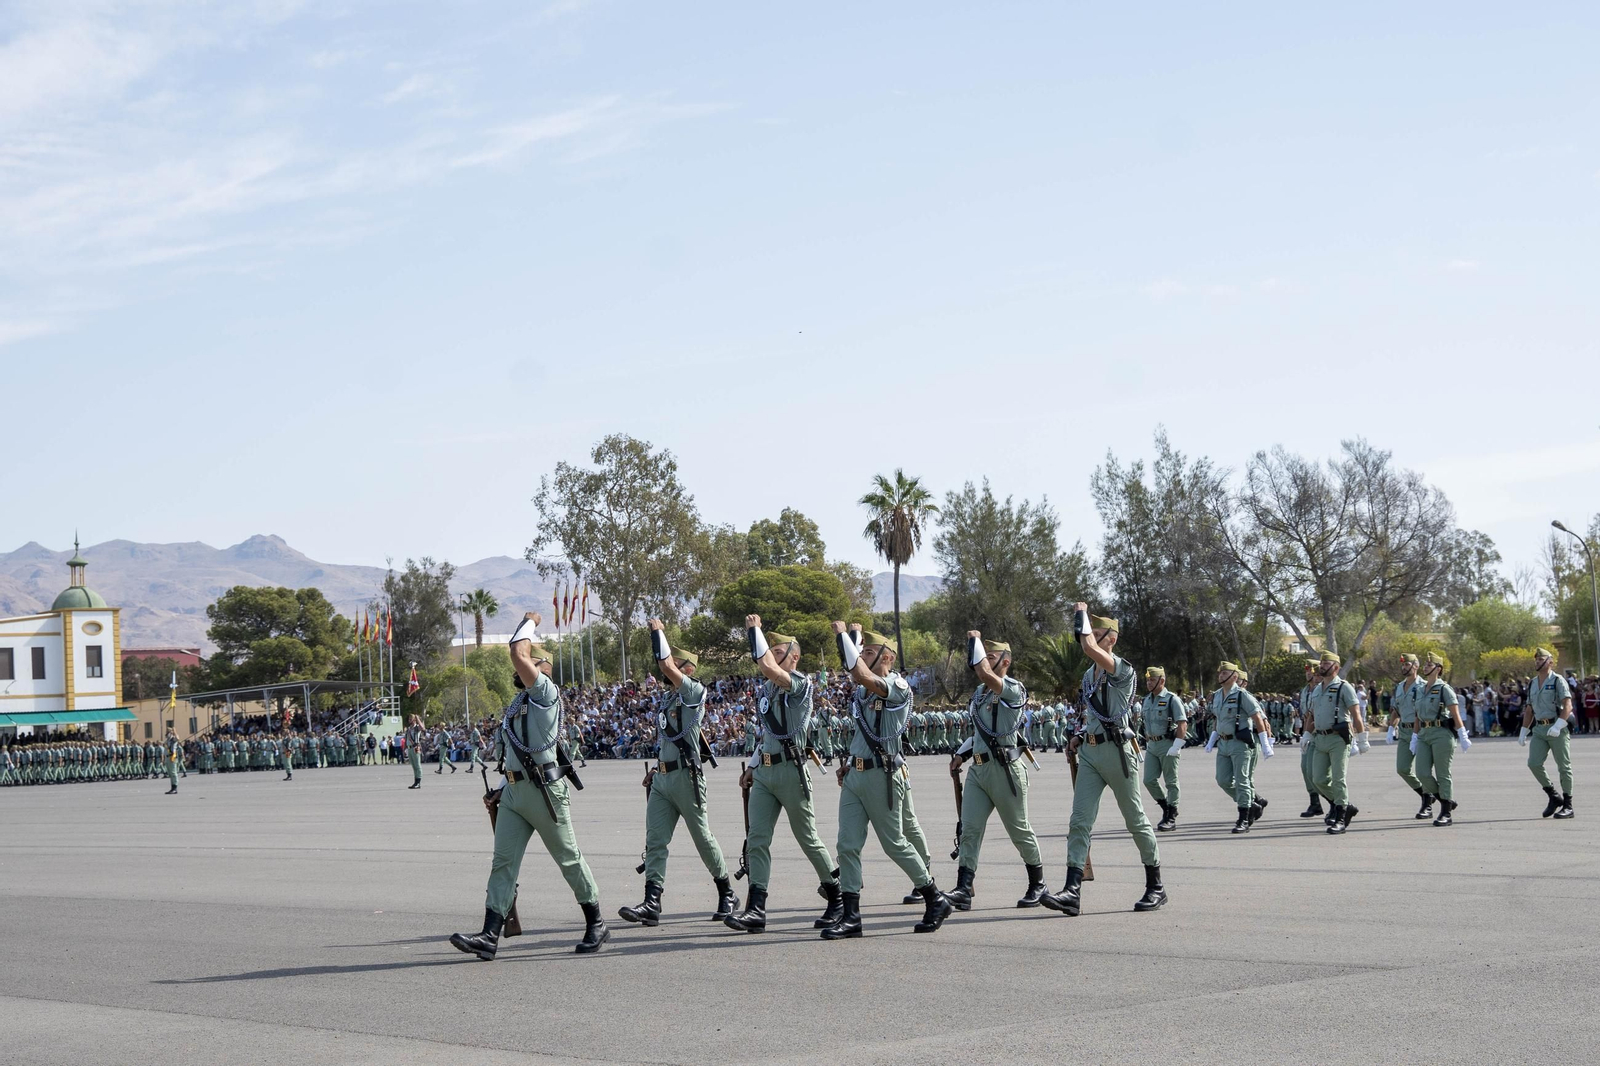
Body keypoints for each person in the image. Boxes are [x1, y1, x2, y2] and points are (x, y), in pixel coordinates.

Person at [449, 611, 608, 959]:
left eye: (531, 664)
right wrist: (503, 788)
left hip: (545, 793)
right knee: (503, 863)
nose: (520, 669)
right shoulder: (517, 703)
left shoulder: (546, 694)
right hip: (516, 793)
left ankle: (596, 921)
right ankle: (489, 935)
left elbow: (518, 653)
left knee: (568, 858)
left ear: (542, 669)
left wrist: (530, 621)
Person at [823, 623, 950, 939]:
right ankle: (852, 916)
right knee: (847, 844)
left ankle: (934, 897)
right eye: (862, 651)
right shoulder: (865, 691)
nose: (862, 657)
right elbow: (860, 686)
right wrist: (851, 762)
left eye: (868, 652)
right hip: (857, 775)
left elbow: (861, 674)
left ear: (887, 657)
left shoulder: (898, 686)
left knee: (894, 843)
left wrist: (844, 637)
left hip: (884, 775)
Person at [1043, 605, 1165, 916]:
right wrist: (1079, 735)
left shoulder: (1121, 669)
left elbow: (1085, 645)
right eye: (1092, 633)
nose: (1092, 640)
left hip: (1118, 753)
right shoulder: (1088, 675)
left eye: (1098, 635)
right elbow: (1091, 712)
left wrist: (1081, 614)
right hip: (1091, 753)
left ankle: (1156, 886)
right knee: (1079, 821)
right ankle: (1072, 890)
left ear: (1111, 640)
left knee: (1134, 819)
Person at [723, 615, 842, 934]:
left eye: (778, 652)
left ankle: (836, 896)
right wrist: (751, 765)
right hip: (765, 771)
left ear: (794, 656)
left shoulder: (801, 683)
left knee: (807, 838)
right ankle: (756, 909)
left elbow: (768, 669)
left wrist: (754, 632)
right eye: (770, 651)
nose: (771, 656)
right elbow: (766, 733)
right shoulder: (767, 688)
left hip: (792, 770)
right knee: (757, 839)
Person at [618, 619, 737, 929]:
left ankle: (727, 892)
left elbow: (667, 665)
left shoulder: (695, 691)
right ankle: (652, 902)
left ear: (689, 670)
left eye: (677, 665)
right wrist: (657, 768)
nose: (666, 670)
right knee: (655, 840)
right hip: (664, 779)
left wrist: (658, 632)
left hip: (687, 777)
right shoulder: (668, 698)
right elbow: (668, 739)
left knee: (701, 837)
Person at [944, 632, 1046, 913]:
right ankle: (964, 889)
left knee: (1019, 831)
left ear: (1006, 661)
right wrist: (961, 754)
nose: (984, 661)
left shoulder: (1013, 689)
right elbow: (979, 732)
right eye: (984, 655)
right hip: (978, 769)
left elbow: (986, 675)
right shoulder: (979, 694)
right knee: (969, 830)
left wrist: (975, 644)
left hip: (1005, 770)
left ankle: (1038, 883)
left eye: (991, 656)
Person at [1203, 662, 1273, 833]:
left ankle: (1244, 818)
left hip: (1239, 743)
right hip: (1223, 743)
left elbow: (1257, 718)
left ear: (1234, 676)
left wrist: (1265, 743)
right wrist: (1212, 739)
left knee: (1242, 780)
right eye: (1219, 672)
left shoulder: (1243, 695)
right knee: (1223, 780)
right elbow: (1218, 718)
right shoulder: (1218, 695)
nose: (1220, 675)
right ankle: (1251, 804)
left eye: (1224, 672)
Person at [1308, 651, 1369, 834]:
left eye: (1327, 663)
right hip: (1320, 738)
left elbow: (1356, 714)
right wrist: (1306, 735)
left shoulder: (1344, 687)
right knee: (1317, 779)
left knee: (1338, 778)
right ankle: (1345, 805)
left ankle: (1341, 817)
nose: (1322, 665)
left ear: (1336, 667)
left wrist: (1362, 738)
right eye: (1322, 663)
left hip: (1338, 738)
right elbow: (1312, 715)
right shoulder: (1318, 689)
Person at [1412, 652, 1470, 826]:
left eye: (1430, 665)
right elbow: (1417, 715)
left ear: (1438, 669)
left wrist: (1463, 734)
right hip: (1424, 733)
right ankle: (1447, 800)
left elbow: (1455, 713)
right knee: (1422, 773)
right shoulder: (1420, 689)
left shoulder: (1444, 688)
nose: (1426, 667)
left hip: (1441, 733)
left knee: (1443, 773)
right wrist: (1415, 736)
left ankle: (1446, 812)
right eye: (1425, 664)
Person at [1521, 648, 1575, 819]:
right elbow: (1529, 709)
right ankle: (1553, 795)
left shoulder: (1558, 680)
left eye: (1541, 659)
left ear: (1550, 662)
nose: (1537, 662)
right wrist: (1523, 731)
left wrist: (1559, 725)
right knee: (1534, 763)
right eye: (1536, 660)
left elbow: (1567, 705)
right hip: (1539, 729)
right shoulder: (1532, 683)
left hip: (1556, 727)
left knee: (1564, 767)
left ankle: (1568, 805)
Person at [1139, 667, 1187, 832]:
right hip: (1152, 745)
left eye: (1152, 680)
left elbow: (1182, 723)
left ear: (1162, 681)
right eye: (1147, 680)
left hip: (1168, 744)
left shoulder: (1172, 699)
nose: (1149, 683)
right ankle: (1166, 806)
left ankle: (1171, 816)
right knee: (1148, 780)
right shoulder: (1147, 700)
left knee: (1171, 781)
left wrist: (1177, 745)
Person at [1386, 654, 1433, 819]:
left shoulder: (1423, 685)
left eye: (1407, 664)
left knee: (1423, 770)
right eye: (1403, 665)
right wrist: (1391, 728)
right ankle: (1425, 794)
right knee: (1402, 769)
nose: (1403, 667)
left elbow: (1423, 711)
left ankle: (1427, 803)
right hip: (1404, 732)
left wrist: (1416, 733)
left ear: (1416, 666)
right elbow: (1396, 710)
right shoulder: (1399, 687)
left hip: (1420, 732)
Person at [1297, 659, 1324, 818]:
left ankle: (1336, 804)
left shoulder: (1321, 690)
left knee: (1320, 773)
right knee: (1305, 768)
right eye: (1307, 672)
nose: (1309, 674)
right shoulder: (1305, 690)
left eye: (1312, 672)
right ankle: (1315, 803)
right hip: (1308, 733)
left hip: (1320, 733)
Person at [405, 716, 424, 789]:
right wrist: (405, 748)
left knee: (417, 765)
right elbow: (406, 738)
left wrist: (418, 718)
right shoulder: (409, 729)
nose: (409, 720)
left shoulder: (417, 728)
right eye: (409, 719)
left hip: (415, 747)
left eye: (411, 719)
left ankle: (418, 782)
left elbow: (422, 728)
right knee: (414, 766)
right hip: (409, 748)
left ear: (414, 720)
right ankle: (415, 782)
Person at [163, 729, 181, 795]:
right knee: (170, 773)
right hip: (167, 757)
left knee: (173, 773)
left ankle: (175, 788)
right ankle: (172, 787)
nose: (167, 733)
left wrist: (174, 730)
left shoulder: (173, 739)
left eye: (168, 732)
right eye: (166, 731)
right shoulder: (167, 740)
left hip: (172, 757)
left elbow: (178, 738)